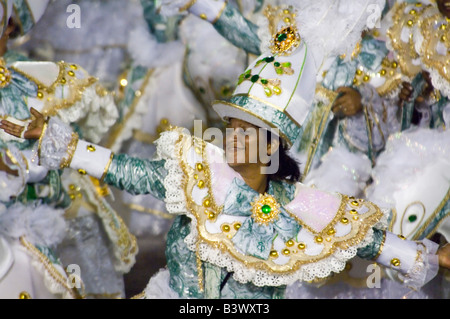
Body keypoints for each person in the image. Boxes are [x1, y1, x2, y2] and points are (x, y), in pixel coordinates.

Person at [3, 1, 450, 299]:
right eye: (231, 126)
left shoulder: (299, 205)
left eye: (246, 130)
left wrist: (426, 256)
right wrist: (57, 143)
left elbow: (363, 235)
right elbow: (126, 170)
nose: (231, 136)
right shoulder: (198, 174)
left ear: (271, 146)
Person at [0, 0, 138, 298]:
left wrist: (18, 168)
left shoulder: (35, 83)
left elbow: (56, 157)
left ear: (9, 24)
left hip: (29, 216)